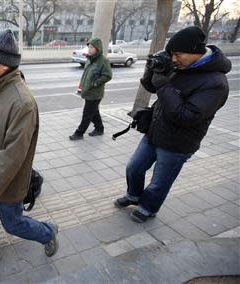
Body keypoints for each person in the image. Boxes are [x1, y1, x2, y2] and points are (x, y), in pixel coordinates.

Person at [114, 26, 231, 222]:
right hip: (156, 131)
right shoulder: (181, 66)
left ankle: (148, 208)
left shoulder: (216, 82)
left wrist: (164, 84)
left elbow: (186, 116)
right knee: (133, 167)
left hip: (179, 143)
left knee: (160, 182)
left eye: (178, 54)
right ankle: (133, 195)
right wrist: (152, 70)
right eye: (171, 55)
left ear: (196, 52)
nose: (174, 59)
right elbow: (152, 86)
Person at [0, 29, 59, 266]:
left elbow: (10, 157)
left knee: (13, 223)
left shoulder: (21, 102)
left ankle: (47, 232)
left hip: (6, 183)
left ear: (4, 64)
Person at [69, 38, 112, 140]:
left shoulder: (103, 61)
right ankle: (99, 128)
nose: (89, 49)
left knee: (87, 114)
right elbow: (85, 75)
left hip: (95, 93)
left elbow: (108, 75)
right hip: (87, 91)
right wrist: (81, 87)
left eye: (92, 47)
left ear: (98, 48)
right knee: (94, 112)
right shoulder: (90, 60)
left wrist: (96, 83)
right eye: (89, 47)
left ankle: (79, 133)